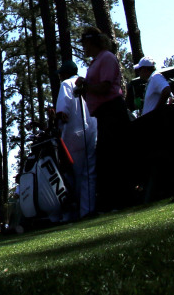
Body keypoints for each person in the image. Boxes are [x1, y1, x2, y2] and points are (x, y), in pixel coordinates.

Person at [75, 26, 132, 212]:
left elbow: (105, 86)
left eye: (85, 43)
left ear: (93, 42)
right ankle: (114, 200)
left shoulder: (106, 57)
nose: (84, 48)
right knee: (107, 156)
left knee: (114, 155)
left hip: (113, 110)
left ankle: (122, 199)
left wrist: (86, 85)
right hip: (103, 113)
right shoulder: (95, 62)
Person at [54, 59, 97, 218]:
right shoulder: (84, 83)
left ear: (65, 74)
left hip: (74, 135)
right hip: (91, 131)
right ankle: (88, 209)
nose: (60, 77)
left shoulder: (66, 84)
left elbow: (62, 112)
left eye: (61, 74)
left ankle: (78, 211)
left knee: (75, 175)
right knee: (90, 174)